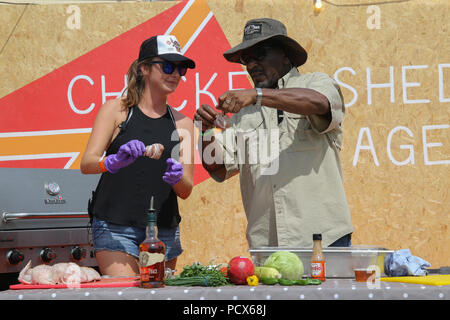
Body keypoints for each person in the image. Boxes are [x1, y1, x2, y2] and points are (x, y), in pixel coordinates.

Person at [194, 18, 353, 249]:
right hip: (267, 244)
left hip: (323, 240)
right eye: (245, 59)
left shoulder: (315, 82)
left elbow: (319, 103)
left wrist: (258, 95)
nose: (251, 65)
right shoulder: (243, 111)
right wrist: (206, 132)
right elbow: (219, 167)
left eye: (259, 54)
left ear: (286, 55)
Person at [81, 35, 195, 276]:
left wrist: (176, 179)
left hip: (163, 230)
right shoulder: (116, 110)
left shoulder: (183, 123)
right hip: (115, 226)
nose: (175, 73)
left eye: (180, 68)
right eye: (166, 66)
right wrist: (111, 162)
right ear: (144, 68)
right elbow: (87, 163)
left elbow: (185, 190)